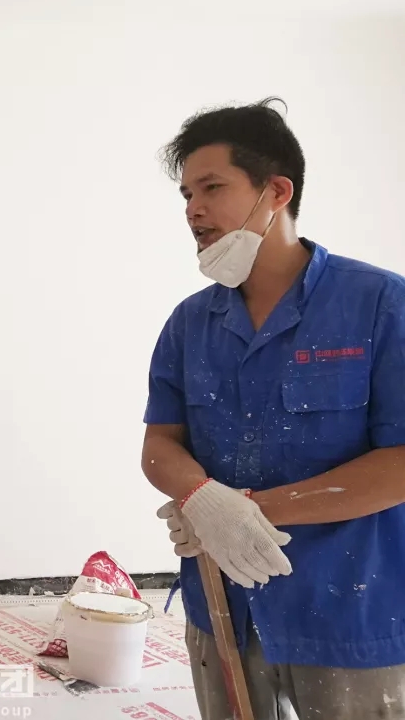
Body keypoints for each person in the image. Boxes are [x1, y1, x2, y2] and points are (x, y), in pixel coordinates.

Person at [142, 98, 405, 719]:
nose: (193, 210)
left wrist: (246, 512)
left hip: (347, 610)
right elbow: (160, 444)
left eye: (212, 188)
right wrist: (201, 498)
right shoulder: (190, 323)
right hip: (222, 609)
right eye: (186, 194)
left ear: (276, 192)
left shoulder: (378, 304)